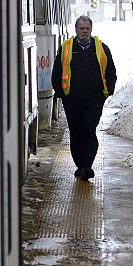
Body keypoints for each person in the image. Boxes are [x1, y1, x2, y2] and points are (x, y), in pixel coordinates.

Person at [52, 15, 117, 180]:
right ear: (76, 30)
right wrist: (61, 94)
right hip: (72, 99)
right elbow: (57, 73)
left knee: (88, 130)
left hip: (94, 99)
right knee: (76, 132)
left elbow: (111, 71)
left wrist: (108, 90)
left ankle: (87, 166)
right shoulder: (66, 49)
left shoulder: (102, 48)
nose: (84, 31)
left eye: (87, 28)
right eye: (81, 28)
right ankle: (80, 165)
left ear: (91, 30)